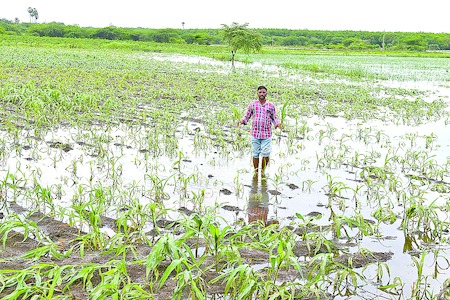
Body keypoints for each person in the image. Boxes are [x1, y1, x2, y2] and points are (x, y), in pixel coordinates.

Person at [238, 86, 281, 176]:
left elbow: (274, 118)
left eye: (263, 92)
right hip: (255, 133)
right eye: (260, 92)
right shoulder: (252, 105)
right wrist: (242, 121)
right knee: (255, 153)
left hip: (266, 134)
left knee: (266, 153)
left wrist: (277, 124)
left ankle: (262, 171)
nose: (262, 94)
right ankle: (256, 171)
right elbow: (247, 116)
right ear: (257, 93)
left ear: (266, 94)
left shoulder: (270, 106)